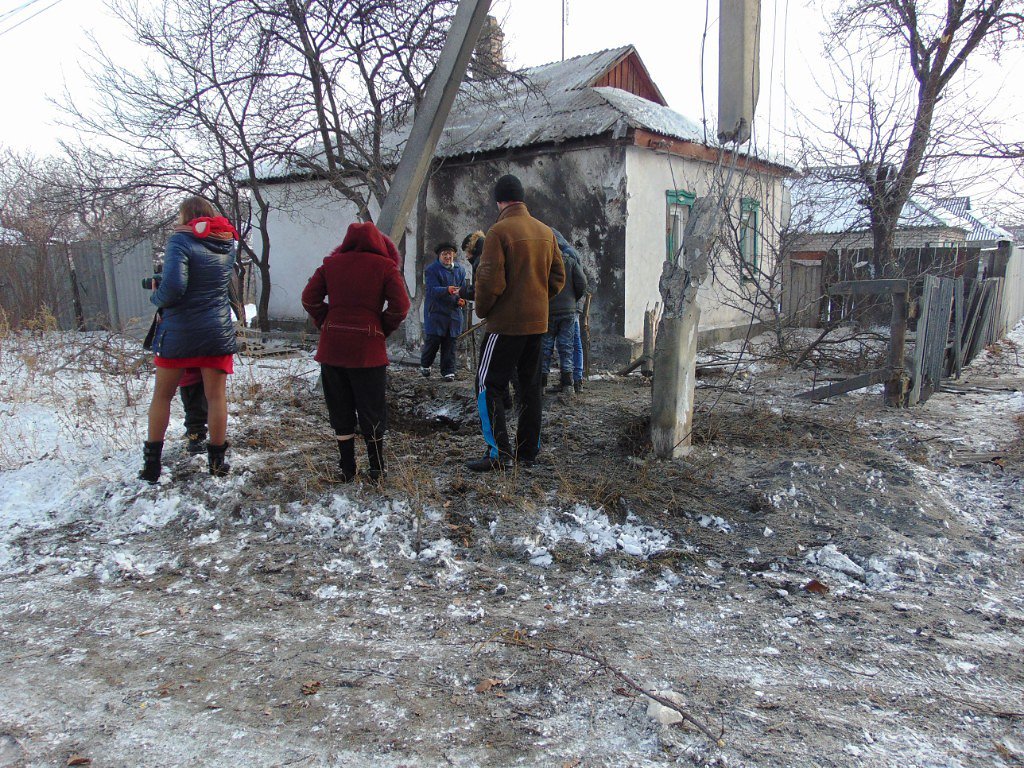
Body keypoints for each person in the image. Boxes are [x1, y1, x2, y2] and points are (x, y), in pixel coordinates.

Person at [467, 173, 565, 472]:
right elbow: (558, 277)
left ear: (500, 201)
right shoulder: (546, 231)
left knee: (488, 383)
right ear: (522, 198)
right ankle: (528, 451)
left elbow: (488, 282)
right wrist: (536, 300)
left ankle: (498, 453)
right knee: (530, 386)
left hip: (505, 326)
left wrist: (484, 310)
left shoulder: (498, 232)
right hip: (537, 325)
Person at [139, 196, 240, 482]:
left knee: (162, 395)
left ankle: (151, 466)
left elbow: (174, 287)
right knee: (216, 397)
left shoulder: (179, 241)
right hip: (215, 330)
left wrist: (156, 297)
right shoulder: (226, 243)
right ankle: (217, 463)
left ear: (186, 217)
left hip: (180, 330)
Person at [301, 221, 410, 483]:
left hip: (333, 348)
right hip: (367, 350)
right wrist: (381, 327)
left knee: (340, 409)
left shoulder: (330, 265)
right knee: (371, 408)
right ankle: (377, 468)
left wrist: (326, 321)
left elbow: (308, 298)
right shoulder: (385, 267)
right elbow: (401, 306)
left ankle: (347, 468)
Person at [542, 228, 588, 395]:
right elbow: (582, 283)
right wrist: (572, 299)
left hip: (550, 310)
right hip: (569, 310)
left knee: (546, 346)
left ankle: (542, 384)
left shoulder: (544, 260)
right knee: (567, 346)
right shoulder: (570, 258)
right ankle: (570, 384)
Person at [419, 241, 467, 381]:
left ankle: (448, 371)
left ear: (454, 255)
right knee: (433, 341)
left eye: (450, 254)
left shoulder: (460, 270)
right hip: (436, 313)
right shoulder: (432, 270)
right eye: (444, 254)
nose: (447, 256)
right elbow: (432, 290)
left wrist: (461, 300)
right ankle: (426, 364)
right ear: (439, 256)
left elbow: (463, 290)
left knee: (450, 342)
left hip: (453, 314)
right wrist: (447, 290)